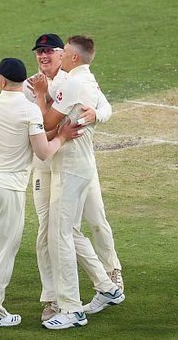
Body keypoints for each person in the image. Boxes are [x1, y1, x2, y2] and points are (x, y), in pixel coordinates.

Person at [0, 58, 81, 328]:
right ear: (22, 83)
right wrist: (63, 136)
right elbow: (43, 153)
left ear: (1, 81)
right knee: (2, 251)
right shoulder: (29, 111)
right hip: (8, 190)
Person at [24, 33, 124, 322]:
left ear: (68, 56)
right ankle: (104, 287)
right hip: (57, 165)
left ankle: (71, 308)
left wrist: (96, 115)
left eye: (55, 52)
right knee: (60, 232)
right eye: (38, 52)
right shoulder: (77, 79)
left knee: (63, 233)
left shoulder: (73, 82)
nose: (44, 57)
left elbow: (46, 123)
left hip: (70, 166)